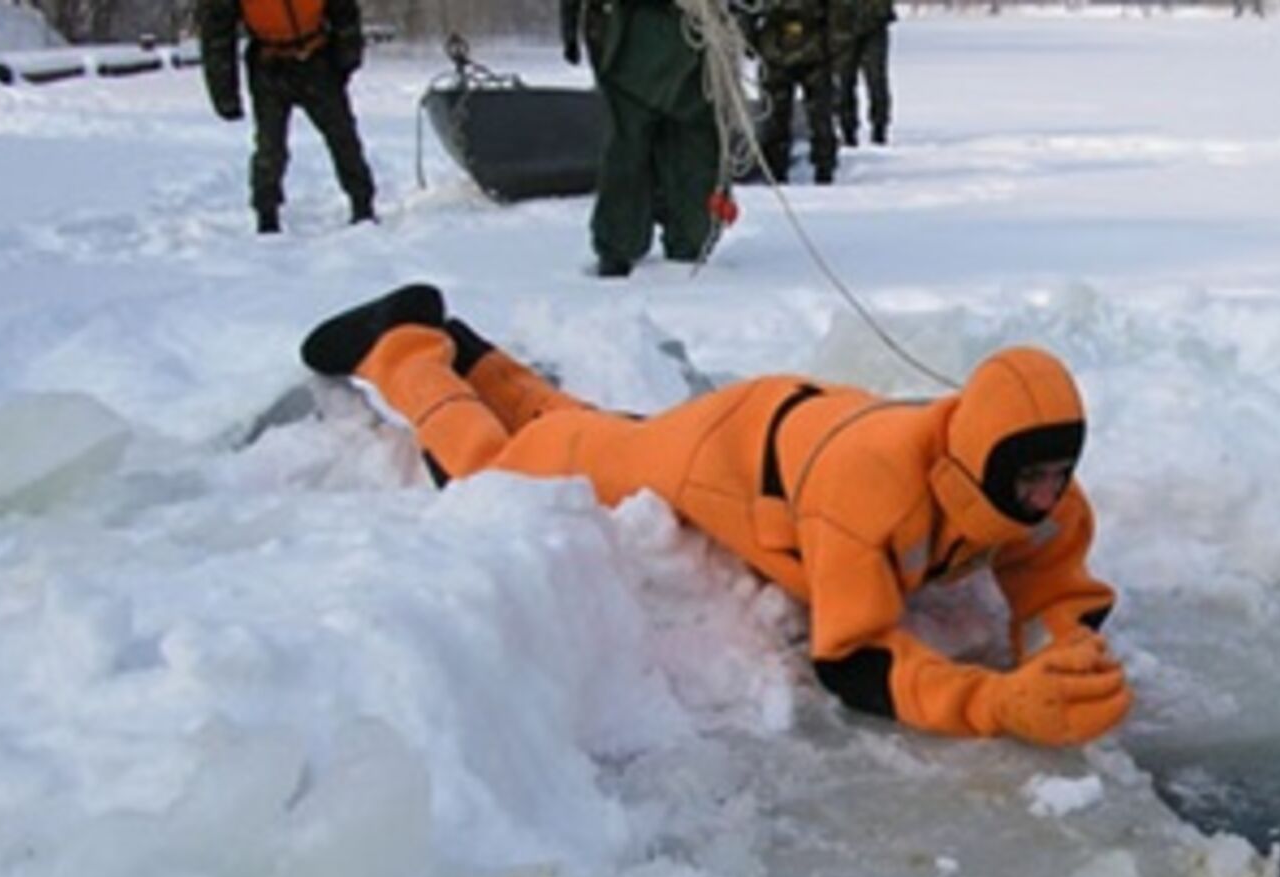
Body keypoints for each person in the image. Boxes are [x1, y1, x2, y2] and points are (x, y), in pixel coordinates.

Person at [298, 284, 1133, 747]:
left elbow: (1059, 583)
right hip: (732, 452)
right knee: (501, 470)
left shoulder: (1036, 483)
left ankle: (474, 355)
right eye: (1031, 480)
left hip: (807, 424)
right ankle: (403, 346)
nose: (1047, 498)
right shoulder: (872, 496)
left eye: (1059, 474)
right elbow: (853, 658)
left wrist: (1071, 654)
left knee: (590, 429)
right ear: (975, 461)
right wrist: (995, 703)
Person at [561, 0, 724, 277]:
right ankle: (644, 245)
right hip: (639, 45)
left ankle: (662, 244)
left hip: (684, 51)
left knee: (665, 152)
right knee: (635, 150)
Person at [199, 0, 377, 234]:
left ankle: (362, 203)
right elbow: (217, 32)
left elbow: (343, 8)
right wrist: (224, 92)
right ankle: (267, 213)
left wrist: (348, 54)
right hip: (268, 64)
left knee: (342, 135)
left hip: (317, 58)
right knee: (270, 145)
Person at [743, 0, 841, 184]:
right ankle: (778, 169)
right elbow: (747, 9)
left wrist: (835, 43)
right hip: (778, 50)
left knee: (819, 115)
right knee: (776, 115)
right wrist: (749, 40)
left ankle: (823, 168)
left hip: (813, 49)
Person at [831, 0, 894, 147]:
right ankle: (847, 130)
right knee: (844, 81)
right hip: (842, 26)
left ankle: (879, 129)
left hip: (873, 24)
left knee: (876, 80)